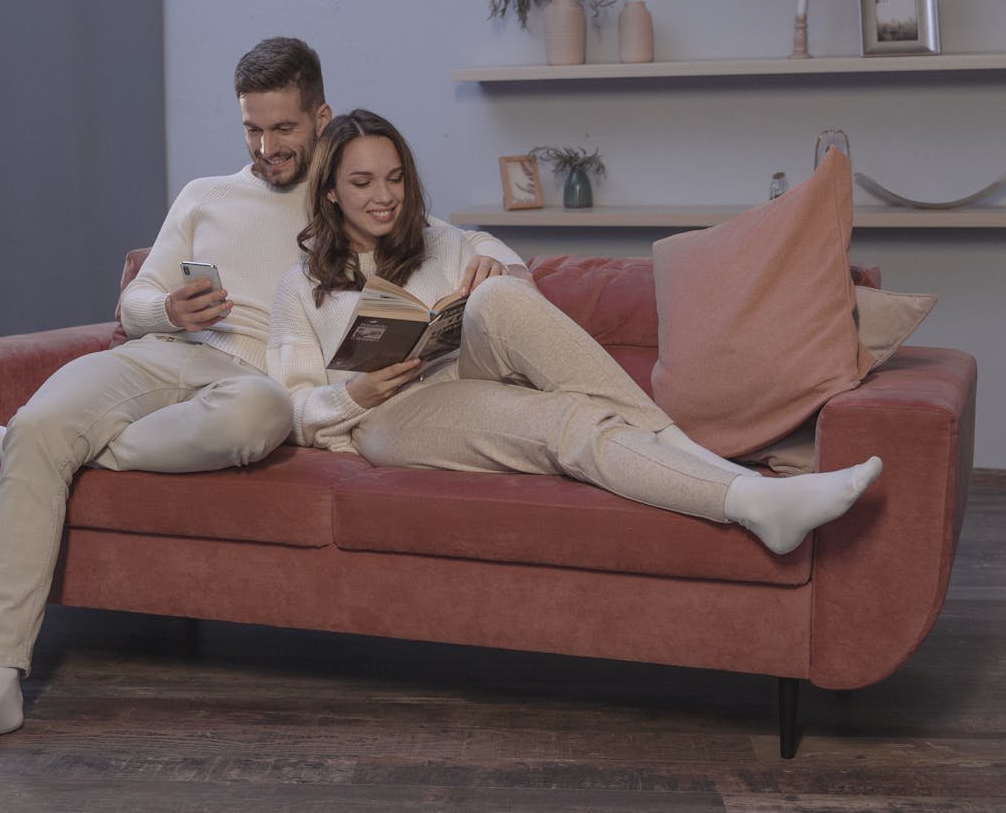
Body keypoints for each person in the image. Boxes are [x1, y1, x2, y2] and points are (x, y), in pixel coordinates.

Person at [0, 40, 524, 771]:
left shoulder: (352, 193)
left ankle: (24, 445)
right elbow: (131, 304)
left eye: (284, 130)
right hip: (164, 355)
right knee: (49, 417)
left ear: (320, 117)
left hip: (251, 386)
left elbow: (459, 242)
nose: (267, 149)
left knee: (260, 417)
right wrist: (168, 305)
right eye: (251, 130)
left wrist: (501, 264)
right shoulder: (204, 196)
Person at [269, 109, 883, 564]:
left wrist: (500, 271)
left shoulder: (442, 238)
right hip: (388, 415)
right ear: (330, 191)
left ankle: (715, 469)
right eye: (363, 183)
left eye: (395, 178)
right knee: (570, 421)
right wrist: (357, 396)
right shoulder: (299, 287)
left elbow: (521, 299)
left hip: (463, 371)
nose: (385, 197)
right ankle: (747, 496)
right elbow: (292, 409)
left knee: (504, 292)